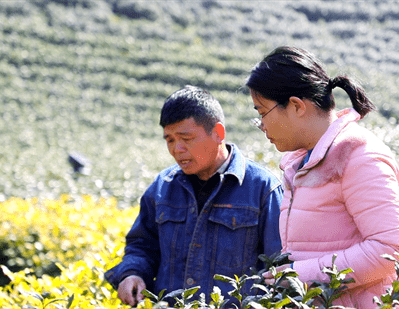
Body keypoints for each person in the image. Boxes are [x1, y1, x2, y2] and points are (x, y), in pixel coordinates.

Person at [246, 46, 399, 308]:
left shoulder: (360, 157)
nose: (262, 125)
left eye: (262, 112)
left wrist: (299, 275)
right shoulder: (302, 162)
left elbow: (390, 251)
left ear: (296, 106)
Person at [105, 85, 283, 307]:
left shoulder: (262, 188)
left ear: (218, 133)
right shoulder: (162, 187)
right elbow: (141, 246)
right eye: (169, 139)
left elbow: (279, 269)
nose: (177, 149)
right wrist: (132, 273)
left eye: (186, 138)